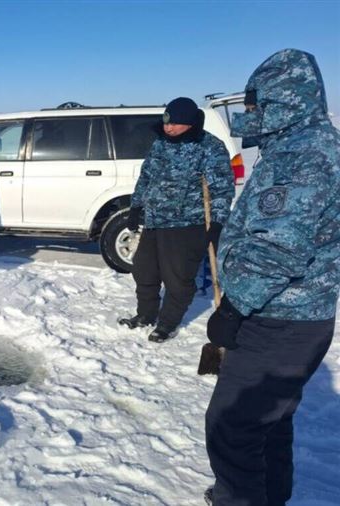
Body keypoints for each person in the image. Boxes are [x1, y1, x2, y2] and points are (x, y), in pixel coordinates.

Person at [204, 49, 339, 506]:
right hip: (296, 315)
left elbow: (278, 248)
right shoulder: (301, 145)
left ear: (283, 101)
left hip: (280, 318)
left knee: (232, 426)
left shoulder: (303, 156)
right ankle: (267, 496)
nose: (248, 114)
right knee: (269, 423)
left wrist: (233, 305)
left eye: (254, 105)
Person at [118, 97, 234, 343]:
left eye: (175, 124)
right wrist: (136, 206)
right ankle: (145, 315)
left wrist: (218, 222)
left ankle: (167, 324)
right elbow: (146, 176)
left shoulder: (210, 147)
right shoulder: (161, 143)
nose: (168, 128)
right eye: (167, 122)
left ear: (190, 123)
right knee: (144, 271)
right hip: (154, 220)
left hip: (186, 225)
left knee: (178, 279)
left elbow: (222, 189)